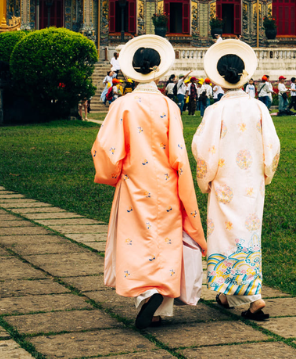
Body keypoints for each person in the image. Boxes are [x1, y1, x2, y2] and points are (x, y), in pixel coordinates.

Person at [92, 35, 207, 329]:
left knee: (135, 239)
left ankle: (145, 293)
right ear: (158, 69)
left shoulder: (122, 105)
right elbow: (179, 151)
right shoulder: (170, 106)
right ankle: (160, 303)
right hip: (167, 182)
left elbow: (106, 148)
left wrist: (112, 174)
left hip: (133, 183)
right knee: (166, 240)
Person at [192, 39, 280, 321]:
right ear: (245, 76)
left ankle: (254, 298)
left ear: (218, 78)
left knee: (225, 237)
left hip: (224, 184)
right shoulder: (259, 108)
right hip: (251, 184)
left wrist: (205, 179)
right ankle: (227, 293)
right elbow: (272, 146)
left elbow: (203, 149)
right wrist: (265, 173)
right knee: (248, 236)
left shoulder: (215, 110)